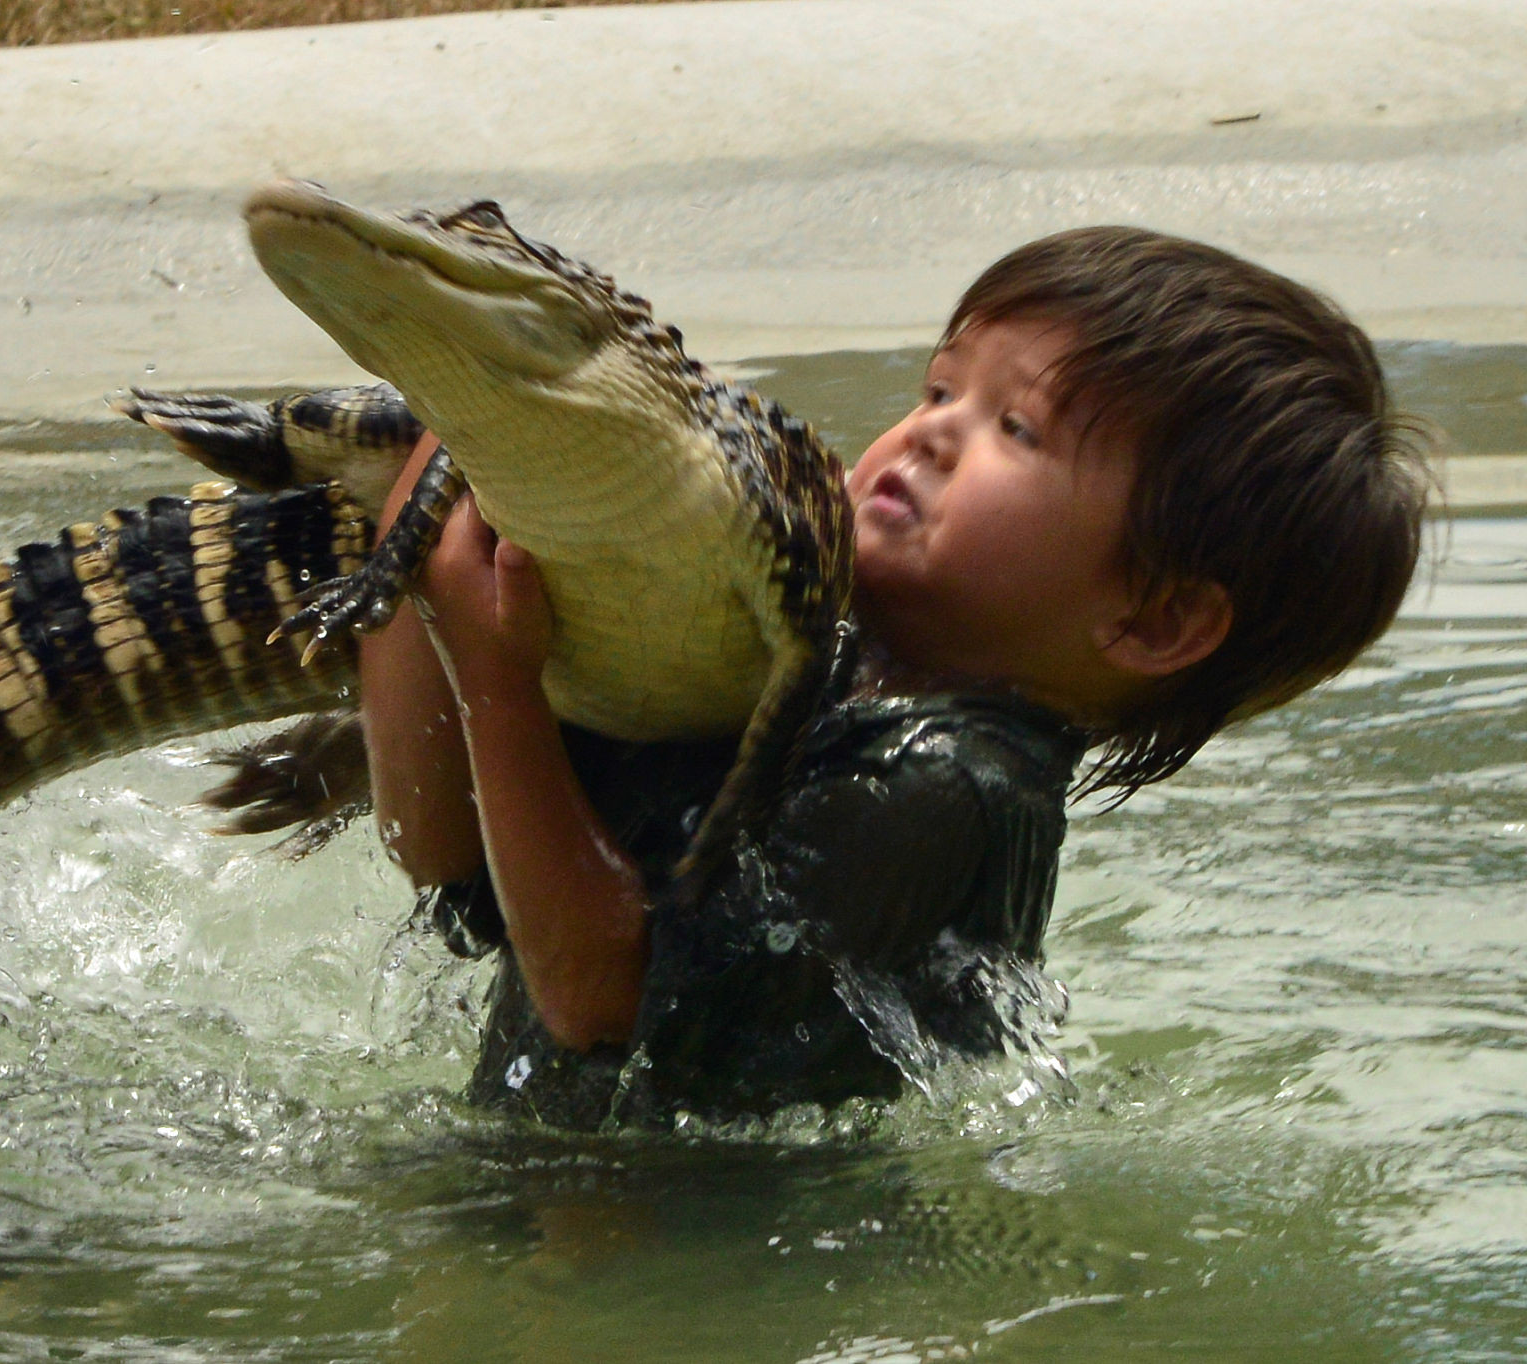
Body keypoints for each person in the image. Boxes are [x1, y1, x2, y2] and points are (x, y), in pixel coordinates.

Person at [356, 227, 1433, 1130]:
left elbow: (599, 996)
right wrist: (436, 507)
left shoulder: (948, 786)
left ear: (1153, 619)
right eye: (938, 387)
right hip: (550, 1191)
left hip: (703, 1269)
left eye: (1013, 427)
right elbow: (434, 842)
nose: (930, 434)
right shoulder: (801, 669)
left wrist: (498, 687)